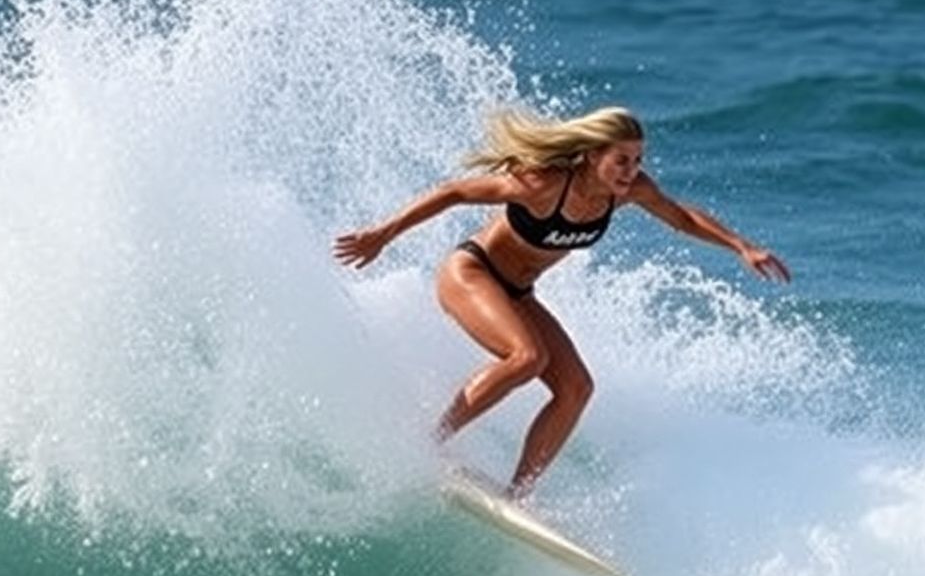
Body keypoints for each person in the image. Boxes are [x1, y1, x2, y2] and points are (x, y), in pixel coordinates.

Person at [334, 106, 790, 498]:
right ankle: (430, 441)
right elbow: (454, 192)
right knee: (528, 358)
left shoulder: (628, 192)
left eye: (637, 160)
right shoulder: (543, 183)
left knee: (576, 387)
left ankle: (518, 494)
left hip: (519, 292)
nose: (631, 171)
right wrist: (382, 234)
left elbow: (681, 216)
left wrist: (741, 246)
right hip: (471, 273)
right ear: (592, 154)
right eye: (621, 160)